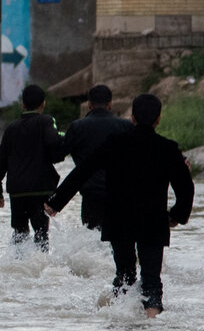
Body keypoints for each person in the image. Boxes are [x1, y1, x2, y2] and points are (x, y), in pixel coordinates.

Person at [45, 94, 194, 318]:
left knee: (124, 274)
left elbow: (83, 171)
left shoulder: (115, 143)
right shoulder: (168, 148)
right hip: (153, 221)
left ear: (132, 117)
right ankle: (152, 324)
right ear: (158, 119)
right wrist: (176, 215)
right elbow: (186, 187)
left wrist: (56, 202)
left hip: (119, 219)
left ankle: (120, 325)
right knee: (152, 278)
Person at [0, 84, 65, 251]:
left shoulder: (11, 128)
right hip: (39, 191)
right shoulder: (46, 121)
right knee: (41, 235)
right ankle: (38, 271)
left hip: (17, 192)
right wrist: (65, 139)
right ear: (43, 104)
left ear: (22, 104)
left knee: (19, 233)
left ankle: (17, 267)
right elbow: (54, 143)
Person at [58, 84, 134, 233]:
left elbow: (58, 155)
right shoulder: (126, 126)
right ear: (110, 104)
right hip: (119, 194)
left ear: (89, 105)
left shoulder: (77, 127)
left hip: (91, 195)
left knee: (93, 243)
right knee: (118, 243)